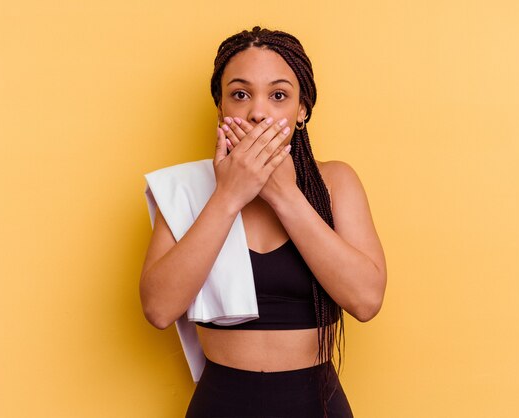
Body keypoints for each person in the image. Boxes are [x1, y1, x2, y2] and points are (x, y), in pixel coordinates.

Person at [139, 26, 387, 418]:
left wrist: (284, 194)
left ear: (302, 109)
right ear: (220, 106)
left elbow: (366, 300)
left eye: (278, 95)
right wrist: (228, 196)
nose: (258, 111)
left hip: (316, 407)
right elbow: (158, 309)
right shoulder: (187, 189)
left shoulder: (336, 182)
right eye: (240, 94)